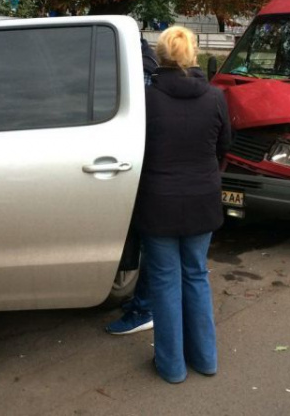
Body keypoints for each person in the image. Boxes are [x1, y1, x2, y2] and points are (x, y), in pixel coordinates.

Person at [134, 25, 231, 383]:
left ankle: (172, 366)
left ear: (160, 56)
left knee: (164, 280)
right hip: (203, 200)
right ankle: (206, 359)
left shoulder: (146, 99)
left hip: (158, 202)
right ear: (193, 56)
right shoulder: (216, 97)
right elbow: (224, 147)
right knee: (196, 275)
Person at [105, 37, 158, 335]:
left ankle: (145, 308)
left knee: (153, 246)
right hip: (168, 183)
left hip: (150, 177)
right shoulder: (208, 95)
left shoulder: (145, 80)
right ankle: (143, 302)